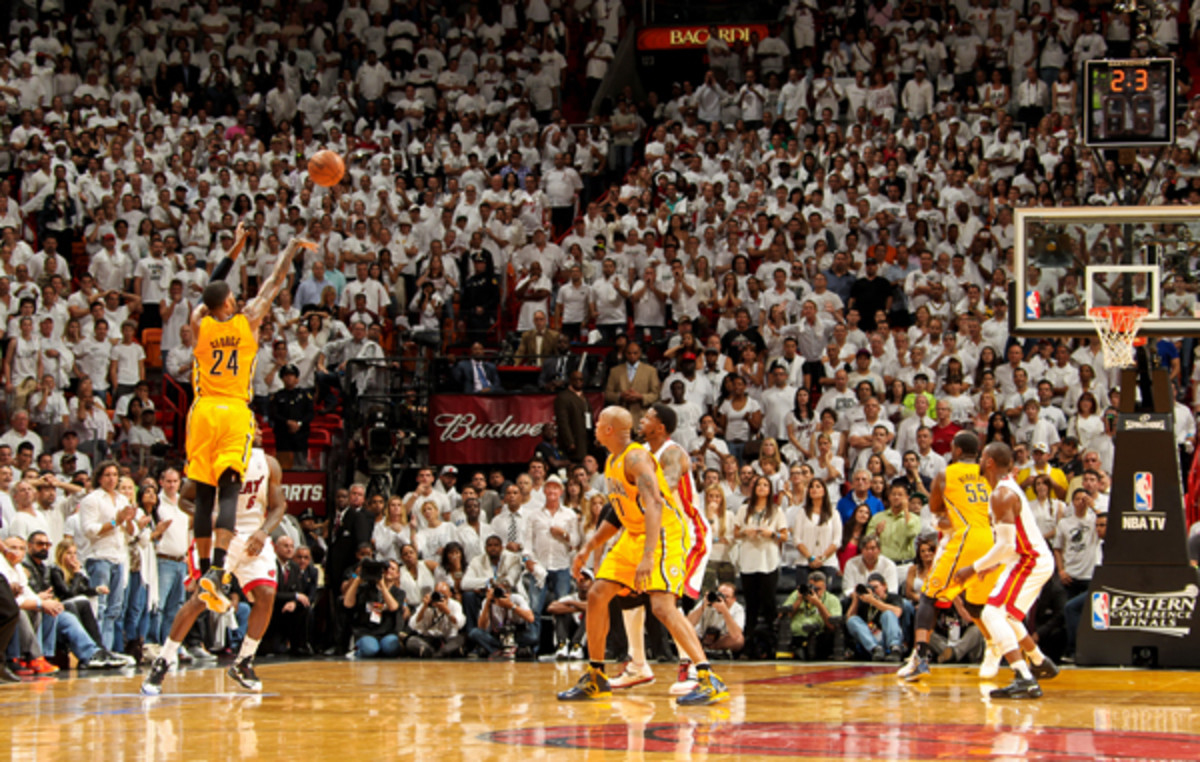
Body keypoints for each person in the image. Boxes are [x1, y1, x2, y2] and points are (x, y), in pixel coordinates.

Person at [558, 406, 728, 706]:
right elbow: (619, 513)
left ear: (609, 430)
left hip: (662, 534)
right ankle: (596, 676)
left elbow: (655, 505)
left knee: (662, 606)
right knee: (598, 594)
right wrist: (588, 546)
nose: (594, 427)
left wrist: (649, 555)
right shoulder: (612, 461)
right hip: (634, 534)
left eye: (598, 423)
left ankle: (707, 677)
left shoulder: (637, 458)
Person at [186, 226, 309, 614]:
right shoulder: (248, 320)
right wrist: (290, 250)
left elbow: (212, 287)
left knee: (203, 494)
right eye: (233, 298)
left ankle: (206, 571)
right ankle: (221, 571)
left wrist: (236, 249)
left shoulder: (197, 323)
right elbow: (273, 283)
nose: (238, 299)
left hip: (202, 410)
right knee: (228, 491)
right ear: (228, 305)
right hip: (234, 411)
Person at [142, 436, 289, 696]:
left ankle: (244, 661)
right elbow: (185, 499)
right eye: (248, 425)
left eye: (255, 425)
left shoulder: (269, 464)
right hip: (222, 537)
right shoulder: (215, 460)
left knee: (267, 595)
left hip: (254, 536)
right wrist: (209, 517)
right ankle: (162, 661)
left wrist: (264, 531)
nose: (254, 430)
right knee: (201, 599)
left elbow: (279, 507)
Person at [611, 404, 712, 695]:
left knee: (669, 601)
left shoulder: (672, 453)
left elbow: (658, 493)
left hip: (688, 535)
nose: (641, 420)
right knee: (626, 589)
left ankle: (692, 668)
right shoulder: (640, 452)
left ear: (660, 427)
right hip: (655, 534)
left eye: (647, 417)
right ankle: (637, 665)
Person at [953, 442, 1059, 699]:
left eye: (982, 456)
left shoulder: (1002, 494)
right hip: (1025, 558)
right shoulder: (1003, 489)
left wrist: (973, 568)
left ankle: (1024, 677)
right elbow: (1010, 542)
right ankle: (1038, 660)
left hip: (1029, 559)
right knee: (1008, 615)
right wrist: (992, 566)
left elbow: (1006, 544)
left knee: (991, 613)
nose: (978, 459)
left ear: (989, 462)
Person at [899, 431, 1000, 682]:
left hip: (965, 539)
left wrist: (945, 514)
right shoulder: (988, 475)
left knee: (928, 598)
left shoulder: (946, 474)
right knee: (978, 605)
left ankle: (920, 659)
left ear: (955, 450)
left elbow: (934, 511)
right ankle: (1000, 647)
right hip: (991, 539)